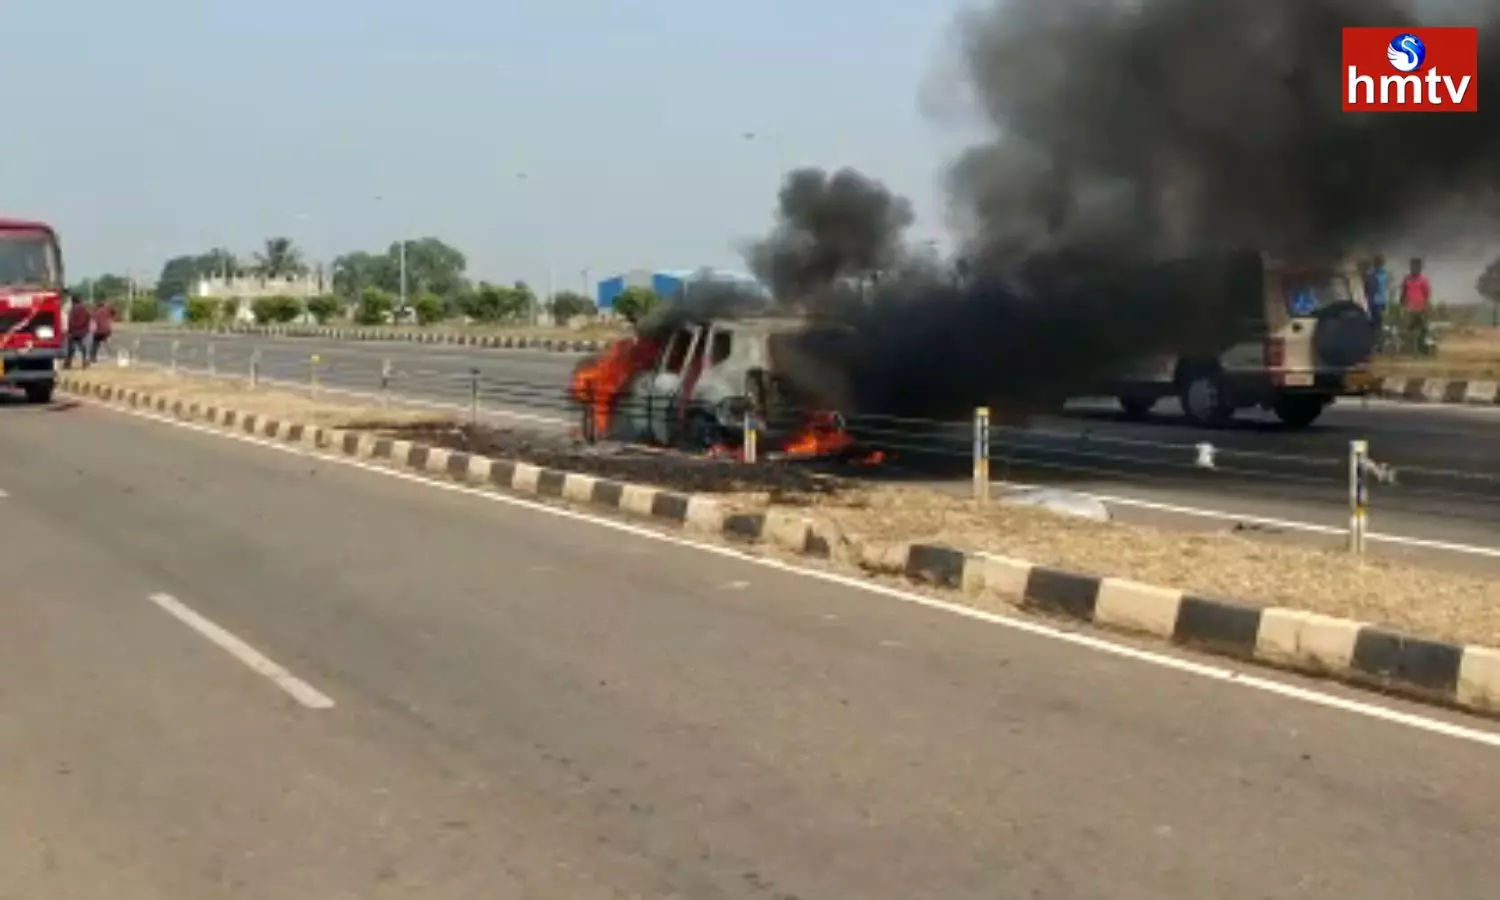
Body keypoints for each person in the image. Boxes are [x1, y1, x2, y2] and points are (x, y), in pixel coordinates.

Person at [1400, 257, 1432, 350]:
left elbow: (1427, 294)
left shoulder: (1423, 280)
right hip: (1409, 308)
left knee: (1422, 328)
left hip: (1420, 307)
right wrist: (1402, 305)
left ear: (1420, 268)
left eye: (1417, 266)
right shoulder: (1407, 279)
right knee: (1410, 328)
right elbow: (1403, 293)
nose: (1414, 268)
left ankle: (1421, 346)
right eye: (1413, 266)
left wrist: (1426, 307)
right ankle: (1410, 347)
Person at [1363, 253, 1389, 340]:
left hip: (1381, 301)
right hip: (1375, 301)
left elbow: (1386, 288)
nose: (1380, 263)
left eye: (1381, 261)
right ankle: (1377, 340)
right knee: (1376, 323)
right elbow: (1367, 289)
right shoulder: (1371, 274)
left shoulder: (1384, 273)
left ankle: (1379, 341)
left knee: (1380, 323)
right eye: (1379, 261)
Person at [65, 296, 92, 368]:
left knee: (71, 348)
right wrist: (86, 326)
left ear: (73, 301)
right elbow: (88, 317)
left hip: (73, 331)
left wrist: (70, 331)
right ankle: (85, 362)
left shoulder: (72, 309)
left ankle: (68, 363)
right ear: (79, 300)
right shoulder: (84, 308)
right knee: (84, 347)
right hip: (83, 331)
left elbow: (70, 321)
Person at [88, 299, 115, 364]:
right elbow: (113, 313)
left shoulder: (96, 312)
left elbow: (92, 319)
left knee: (95, 344)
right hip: (106, 330)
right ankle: (112, 354)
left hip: (98, 331)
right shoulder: (107, 311)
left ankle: (93, 357)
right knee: (106, 342)